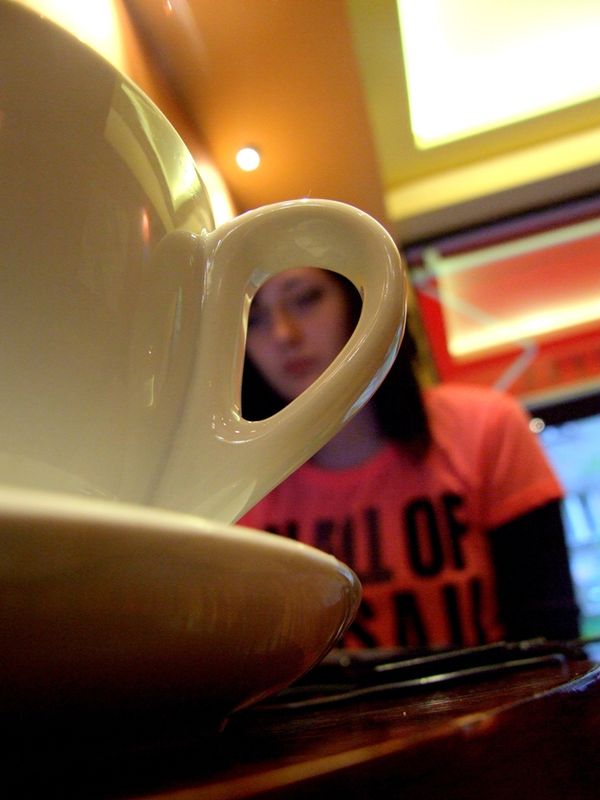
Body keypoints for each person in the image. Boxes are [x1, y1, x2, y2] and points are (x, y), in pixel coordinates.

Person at [238, 267, 580, 650]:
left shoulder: (486, 427)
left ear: (362, 300)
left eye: (306, 299)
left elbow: (550, 638)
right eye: (255, 318)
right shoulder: (236, 489)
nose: (284, 334)